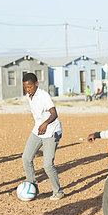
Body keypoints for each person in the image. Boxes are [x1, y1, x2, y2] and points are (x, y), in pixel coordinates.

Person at [22, 72, 64, 200]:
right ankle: (33, 187)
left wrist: (45, 124)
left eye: (30, 87)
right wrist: (41, 125)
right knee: (26, 158)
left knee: (47, 165)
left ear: (36, 84)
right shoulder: (29, 96)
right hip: (38, 130)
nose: (28, 90)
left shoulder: (44, 95)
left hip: (52, 130)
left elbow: (54, 113)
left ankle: (58, 192)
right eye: (25, 88)